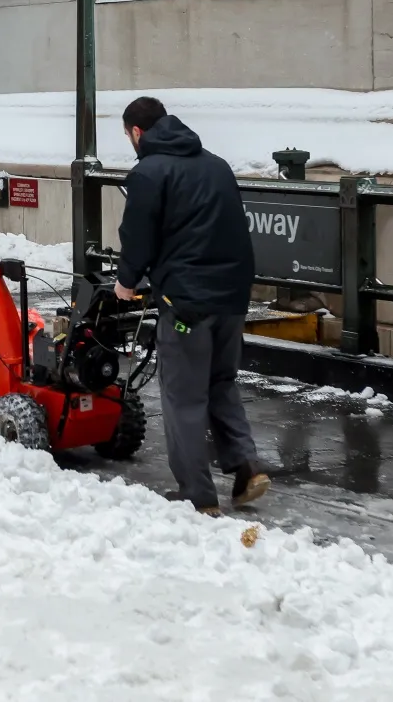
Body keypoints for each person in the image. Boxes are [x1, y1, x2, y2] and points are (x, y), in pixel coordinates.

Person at [112, 96, 269, 514]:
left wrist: (126, 282)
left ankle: (197, 495)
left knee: (183, 396)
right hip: (232, 297)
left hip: (186, 302)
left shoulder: (149, 171)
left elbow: (138, 235)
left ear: (137, 132)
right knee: (220, 383)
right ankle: (247, 465)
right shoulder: (215, 164)